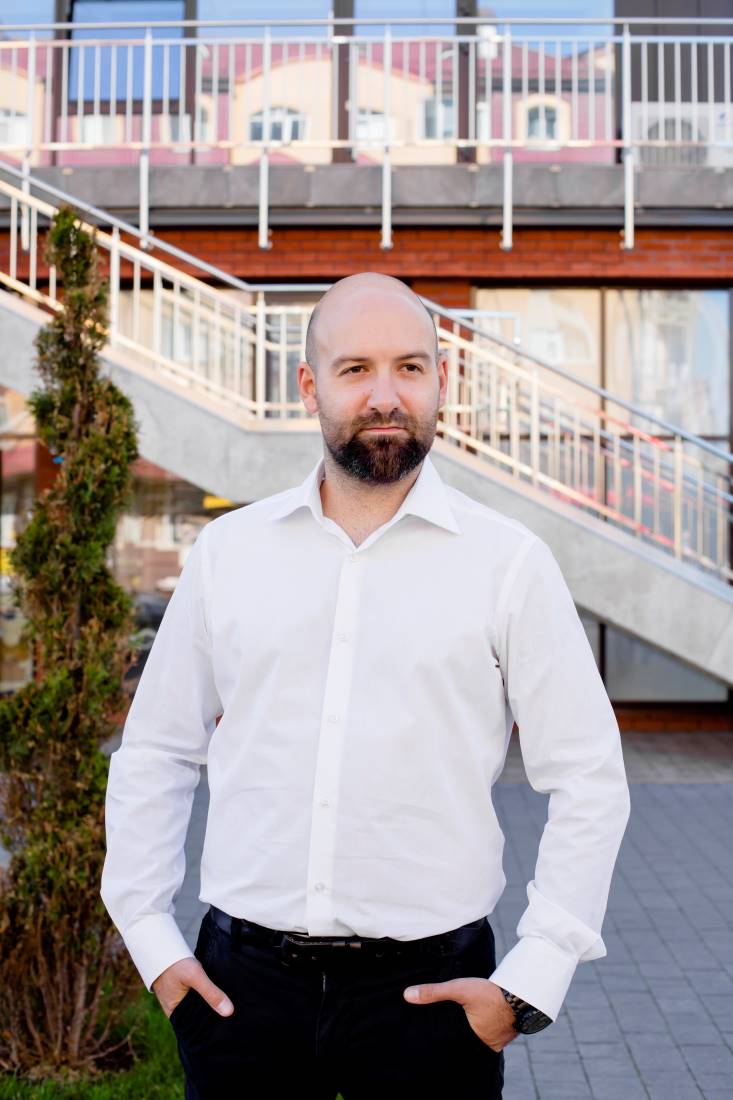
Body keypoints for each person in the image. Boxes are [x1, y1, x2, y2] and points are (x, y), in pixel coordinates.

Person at [100, 272, 631, 1099]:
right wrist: (153, 943)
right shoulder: (229, 554)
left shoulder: (507, 563)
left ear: (441, 380)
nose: (385, 395)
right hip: (241, 995)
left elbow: (588, 775)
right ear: (308, 385)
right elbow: (157, 752)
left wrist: (531, 980)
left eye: (409, 367)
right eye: (355, 369)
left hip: (432, 1002)